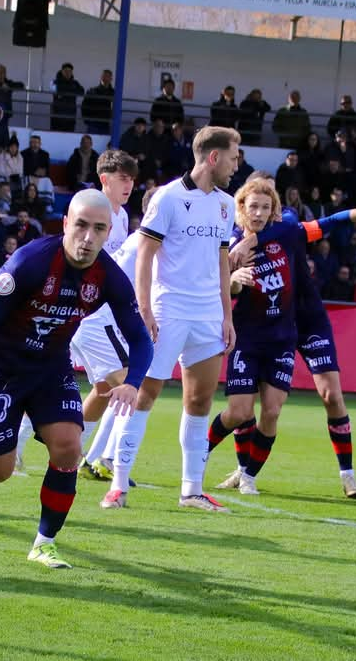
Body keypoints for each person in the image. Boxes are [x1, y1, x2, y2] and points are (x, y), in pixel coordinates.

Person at [0, 189, 153, 569]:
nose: (88, 237)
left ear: (109, 234)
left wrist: (133, 382)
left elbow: (139, 338)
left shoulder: (109, 277)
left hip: (52, 368)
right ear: (66, 224)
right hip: (1, 371)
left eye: (99, 229)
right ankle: (21, 418)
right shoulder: (31, 262)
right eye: (82, 226)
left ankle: (44, 542)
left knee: (69, 446)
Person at [210, 179, 356, 495]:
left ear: (274, 208)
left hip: (306, 320)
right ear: (242, 207)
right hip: (265, 327)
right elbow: (225, 285)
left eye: (266, 206)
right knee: (244, 408)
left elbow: (325, 223)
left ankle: (347, 473)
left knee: (331, 396)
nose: (260, 212)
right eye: (254, 205)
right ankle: (243, 471)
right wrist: (235, 272)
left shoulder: (287, 228)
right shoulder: (233, 241)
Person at [106, 126, 240, 511]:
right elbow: (145, 254)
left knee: (199, 400)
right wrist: (145, 310)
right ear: (213, 158)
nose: (236, 165)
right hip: (169, 311)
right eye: (233, 157)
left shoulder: (226, 204)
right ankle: (117, 485)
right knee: (143, 393)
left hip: (208, 315)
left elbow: (220, 260)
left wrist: (226, 316)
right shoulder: (167, 197)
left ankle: (191, 491)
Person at [26, 152, 139, 479]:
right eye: (123, 178)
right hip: (87, 312)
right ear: (105, 179)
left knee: (104, 389)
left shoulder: (121, 216)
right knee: (128, 384)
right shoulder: (89, 209)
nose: (129, 185)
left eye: (132, 179)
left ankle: (83, 456)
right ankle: (107, 460)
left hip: (98, 311)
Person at [49, 63, 84, 132]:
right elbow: (54, 91)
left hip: (70, 117)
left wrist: (65, 91)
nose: (68, 73)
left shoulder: (75, 83)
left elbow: (81, 92)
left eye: (70, 71)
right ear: (62, 71)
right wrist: (72, 91)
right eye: (66, 71)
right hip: (57, 117)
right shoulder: (54, 82)